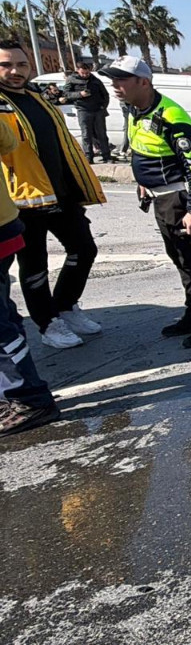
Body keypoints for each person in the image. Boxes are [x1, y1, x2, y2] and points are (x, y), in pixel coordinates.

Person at [101, 56, 191, 348]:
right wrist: (144, 182)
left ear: (143, 82)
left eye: (121, 79)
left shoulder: (171, 117)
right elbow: (146, 153)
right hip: (161, 199)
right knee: (181, 260)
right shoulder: (136, 110)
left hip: (180, 201)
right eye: (113, 80)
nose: (115, 86)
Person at [0, 40, 106, 350]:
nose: (15, 71)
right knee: (34, 267)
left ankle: (65, 305)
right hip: (22, 200)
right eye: (6, 65)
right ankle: (47, 323)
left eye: (20, 64)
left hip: (59, 192)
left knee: (84, 250)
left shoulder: (37, 96)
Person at [0, 118, 59, 436]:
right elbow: (8, 143)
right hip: (5, 221)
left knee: (0, 325)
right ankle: (19, 393)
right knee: (4, 315)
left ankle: (29, 397)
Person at [64, 61, 115, 164]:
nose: (85, 75)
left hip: (97, 110)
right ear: (78, 71)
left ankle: (106, 155)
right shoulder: (72, 80)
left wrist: (102, 107)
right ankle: (88, 157)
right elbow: (66, 94)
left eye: (87, 73)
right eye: (83, 73)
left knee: (102, 134)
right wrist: (80, 94)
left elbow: (105, 95)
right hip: (83, 110)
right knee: (86, 134)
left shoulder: (95, 80)